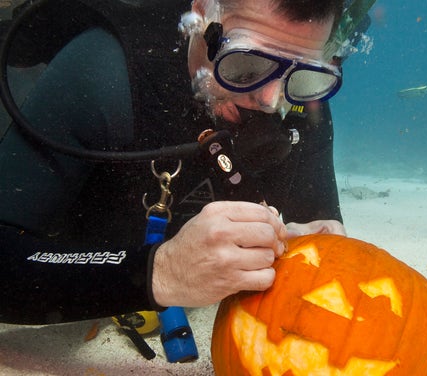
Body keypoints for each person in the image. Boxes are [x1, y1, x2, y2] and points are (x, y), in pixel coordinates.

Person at [0, 0, 360, 324]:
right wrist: (161, 273)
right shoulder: (102, 70)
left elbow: (314, 231)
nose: (269, 99)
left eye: (300, 71)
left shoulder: (300, 96)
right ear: (203, 15)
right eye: (246, 64)